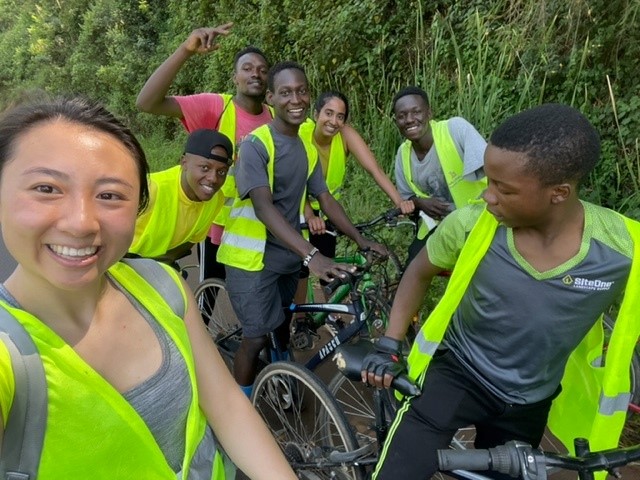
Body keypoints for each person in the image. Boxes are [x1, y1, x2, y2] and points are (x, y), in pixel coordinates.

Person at [0, 95, 298, 479]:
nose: (81, 223)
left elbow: (224, 404)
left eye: (109, 195)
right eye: (46, 188)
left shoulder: (163, 288)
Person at [362, 103, 640, 480]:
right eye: (488, 182)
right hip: (458, 375)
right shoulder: (472, 224)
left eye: (503, 189)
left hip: (531, 402)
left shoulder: (623, 250)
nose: (488, 197)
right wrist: (390, 343)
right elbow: (419, 270)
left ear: (558, 192)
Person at [217, 62, 388, 397]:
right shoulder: (256, 144)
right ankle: (242, 404)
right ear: (271, 98)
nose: (295, 99)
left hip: (284, 258)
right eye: (285, 92)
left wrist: (359, 238)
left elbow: (324, 198)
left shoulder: (307, 148)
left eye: (301, 91)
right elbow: (264, 207)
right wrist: (312, 255)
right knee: (255, 337)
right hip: (250, 261)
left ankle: (280, 375)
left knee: (280, 324)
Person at [136, 23, 273, 281]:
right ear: (235, 77)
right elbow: (147, 102)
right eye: (247, 68)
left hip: (259, 229)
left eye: (262, 70)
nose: (255, 74)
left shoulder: (277, 121)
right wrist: (185, 51)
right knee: (209, 298)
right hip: (218, 226)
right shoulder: (215, 107)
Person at [293, 91, 414, 317]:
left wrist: (399, 201)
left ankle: (332, 316)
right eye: (328, 113)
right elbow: (295, 183)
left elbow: (374, 169)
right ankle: (299, 321)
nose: (334, 121)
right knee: (300, 268)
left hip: (328, 208)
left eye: (340, 116)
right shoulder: (301, 135)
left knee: (329, 264)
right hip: (298, 204)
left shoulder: (345, 135)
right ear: (316, 113)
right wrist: (309, 215)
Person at [392, 86, 487, 263]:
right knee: (413, 261)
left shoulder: (455, 129)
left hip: (480, 219)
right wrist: (420, 202)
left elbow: (493, 169)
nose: (409, 120)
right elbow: (407, 199)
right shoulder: (402, 154)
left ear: (429, 113)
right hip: (440, 225)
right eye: (402, 116)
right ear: (396, 121)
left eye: (416, 112)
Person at [128, 128, 233, 268]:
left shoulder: (216, 199)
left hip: (160, 264)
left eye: (221, 172)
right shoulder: (151, 189)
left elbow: (192, 239)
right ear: (184, 162)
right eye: (205, 168)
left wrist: (164, 264)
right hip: (122, 259)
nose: (213, 179)